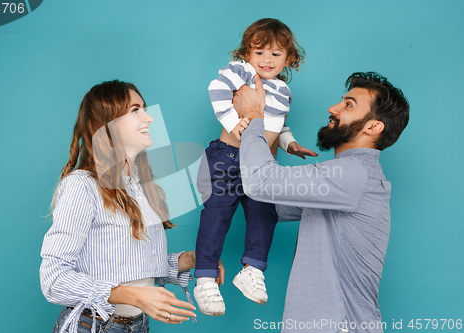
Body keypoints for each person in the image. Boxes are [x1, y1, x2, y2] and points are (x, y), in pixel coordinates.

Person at [235, 72, 409, 332]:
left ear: (373, 127)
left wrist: (255, 118)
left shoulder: (353, 173)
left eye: (348, 105)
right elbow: (266, 202)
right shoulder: (342, 180)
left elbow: (260, 182)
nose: (333, 109)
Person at [40, 80, 200, 333]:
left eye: (144, 108)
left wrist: (188, 260)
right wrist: (134, 297)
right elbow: (54, 280)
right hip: (92, 326)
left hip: (137, 326)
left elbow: (130, 268)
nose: (149, 118)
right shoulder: (82, 186)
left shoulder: (141, 186)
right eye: (135, 110)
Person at [194, 18, 317, 317]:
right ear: (246, 54)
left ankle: (252, 270)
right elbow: (216, 89)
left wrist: (289, 144)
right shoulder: (241, 73)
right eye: (259, 52)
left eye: (276, 54)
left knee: (265, 214)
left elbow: (277, 124)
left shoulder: (283, 90)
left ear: (289, 59)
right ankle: (205, 278)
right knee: (216, 217)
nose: (266, 60)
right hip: (229, 158)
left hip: (262, 166)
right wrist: (233, 122)